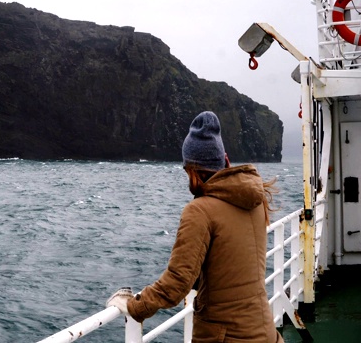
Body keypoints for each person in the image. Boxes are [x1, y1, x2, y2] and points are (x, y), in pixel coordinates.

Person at [106, 111, 283, 342]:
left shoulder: (200, 210)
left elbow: (177, 283)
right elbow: (228, 261)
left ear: (193, 169)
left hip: (226, 337)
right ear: (224, 159)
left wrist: (134, 306)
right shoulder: (255, 201)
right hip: (264, 332)